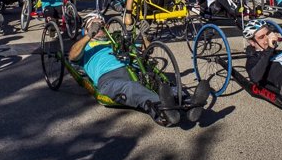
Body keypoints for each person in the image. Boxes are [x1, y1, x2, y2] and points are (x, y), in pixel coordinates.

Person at [68, 13, 211, 126]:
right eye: (94, 24)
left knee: (160, 81)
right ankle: (162, 111)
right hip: (109, 79)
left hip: (134, 70)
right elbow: (72, 56)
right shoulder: (85, 46)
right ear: (86, 29)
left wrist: (144, 35)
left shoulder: (115, 41)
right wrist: (89, 35)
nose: (99, 26)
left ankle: (190, 103)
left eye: (101, 23)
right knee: (132, 88)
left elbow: (146, 52)